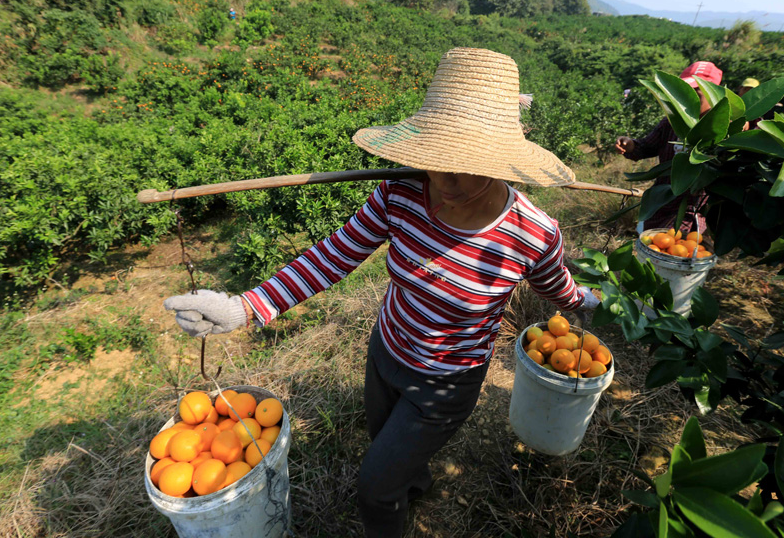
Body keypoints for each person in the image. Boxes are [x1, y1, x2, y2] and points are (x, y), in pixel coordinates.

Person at [163, 47, 600, 538]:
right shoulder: (400, 192)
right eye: (436, 159)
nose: (445, 179)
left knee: (375, 486)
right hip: (386, 352)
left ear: (502, 161)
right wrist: (247, 307)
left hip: (445, 382)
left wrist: (584, 304)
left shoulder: (532, 234)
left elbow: (555, 286)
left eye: (467, 165)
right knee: (388, 448)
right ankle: (416, 483)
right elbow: (333, 257)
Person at [614, 61, 724, 234]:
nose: (688, 98)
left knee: (675, 253)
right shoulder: (672, 122)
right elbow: (647, 146)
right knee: (653, 251)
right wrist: (631, 145)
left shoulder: (723, 128)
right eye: (684, 92)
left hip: (693, 211)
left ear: (713, 93)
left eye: (696, 91)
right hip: (661, 203)